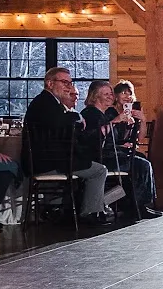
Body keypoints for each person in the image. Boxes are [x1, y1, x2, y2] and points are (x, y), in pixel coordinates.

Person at [23, 67, 111, 222]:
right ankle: (91, 212)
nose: (69, 87)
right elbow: (58, 123)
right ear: (50, 83)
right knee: (99, 170)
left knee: (90, 163)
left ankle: (76, 209)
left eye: (70, 83)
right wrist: (76, 116)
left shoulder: (50, 102)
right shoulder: (45, 102)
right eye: (64, 82)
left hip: (52, 159)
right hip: (46, 162)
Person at [80, 80, 159, 219]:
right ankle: (137, 206)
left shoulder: (105, 113)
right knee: (141, 164)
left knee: (141, 160)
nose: (111, 96)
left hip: (111, 153)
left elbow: (120, 138)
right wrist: (116, 121)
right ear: (95, 96)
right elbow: (94, 138)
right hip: (99, 157)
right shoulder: (90, 113)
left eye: (111, 93)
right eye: (106, 94)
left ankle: (139, 204)